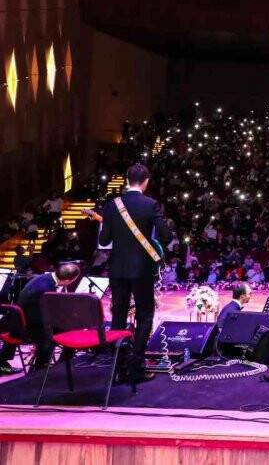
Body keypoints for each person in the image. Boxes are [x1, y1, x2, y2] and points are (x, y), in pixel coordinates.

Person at [99, 163, 173, 384]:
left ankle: (117, 368)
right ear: (146, 180)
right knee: (144, 316)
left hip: (118, 269)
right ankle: (136, 367)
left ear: (127, 179)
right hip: (141, 269)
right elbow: (166, 237)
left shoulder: (113, 205)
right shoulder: (150, 204)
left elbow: (104, 240)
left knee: (118, 317)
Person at [0, 262, 80, 375]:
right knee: (69, 331)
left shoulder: (42, 278)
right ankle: (40, 371)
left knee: (59, 328)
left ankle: (4, 361)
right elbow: (42, 319)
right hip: (25, 327)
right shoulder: (46, 290)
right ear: (68, 280)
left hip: (14, 322)